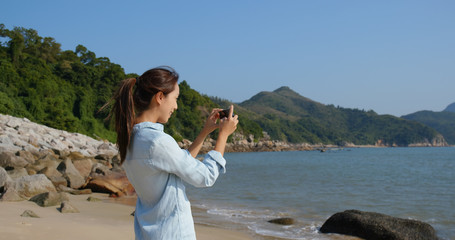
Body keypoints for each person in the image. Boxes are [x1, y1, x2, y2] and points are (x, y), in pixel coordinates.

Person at [105, 66, 238, 240]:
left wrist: (205, 131)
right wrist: (223, 135)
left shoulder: (132, 138)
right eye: (175, 99)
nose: (175, 106)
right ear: (160, 97)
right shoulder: (156, 141)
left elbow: (181, 163)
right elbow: (206, 176)